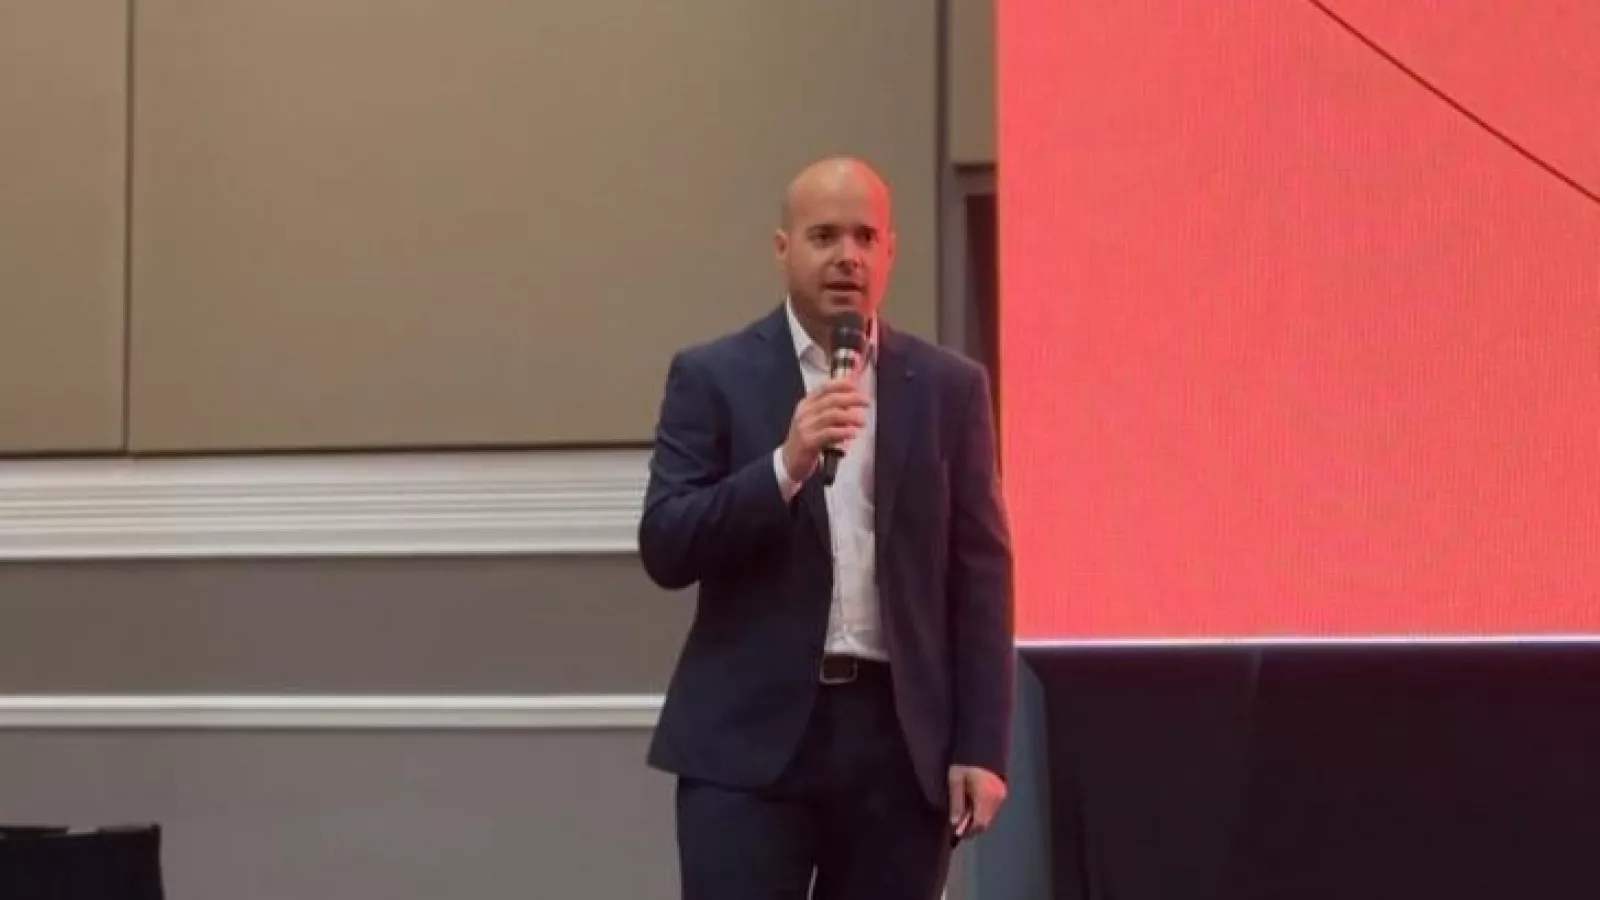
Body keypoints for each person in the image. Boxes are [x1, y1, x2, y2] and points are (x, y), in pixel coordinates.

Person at [637, 155, 1015, 899]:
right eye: (824, 236)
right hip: (748, 744)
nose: (848, 256)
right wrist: (784, 466)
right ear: (783, 248)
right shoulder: (713, 376)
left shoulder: (949, 389)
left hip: (899, 745)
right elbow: (668, 543)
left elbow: (981, 574)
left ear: (890, 252)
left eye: (866, 237)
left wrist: (982, 743)